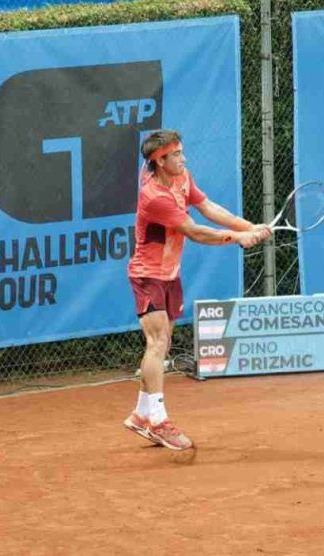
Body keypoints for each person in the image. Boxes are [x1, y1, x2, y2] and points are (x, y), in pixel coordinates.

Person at [123, 129, 271, 450]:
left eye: (181, 152)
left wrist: (248, 226)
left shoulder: (182, 178)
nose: (183, 158)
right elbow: (195, 232)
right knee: (157, 343)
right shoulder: (154, 196)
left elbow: (208, 207)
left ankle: (140, 414)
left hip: (170, 274)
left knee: (162, 342)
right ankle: (158, 421)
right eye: (176, 155)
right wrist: (238, 238)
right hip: (148, 275)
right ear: (160, 161)